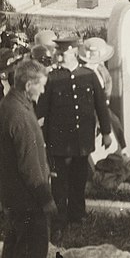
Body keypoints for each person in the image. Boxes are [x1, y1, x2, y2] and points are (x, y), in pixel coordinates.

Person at [37, 38, 112, 229]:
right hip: (58, 140)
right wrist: (42, 140)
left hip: (81, 139)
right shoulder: (51, 78)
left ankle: (77, 216)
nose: (59, 57)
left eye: (63, 53)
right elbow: (41, 111)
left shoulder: (88, 75)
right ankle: (59, 221)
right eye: (58, 53)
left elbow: (101, 106)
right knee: (59, 183)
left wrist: (106, 132)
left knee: (79, 179)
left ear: (73, 53)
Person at [0, 59, 56, 258]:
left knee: (14, 246)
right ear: (28, 85)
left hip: (14, 197)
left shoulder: (12, 104)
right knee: (33, 248)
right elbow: (28, 165)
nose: (42, 91)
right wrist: (45, 199)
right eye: (41, 85)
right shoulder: (20, 115)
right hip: (28, 199)